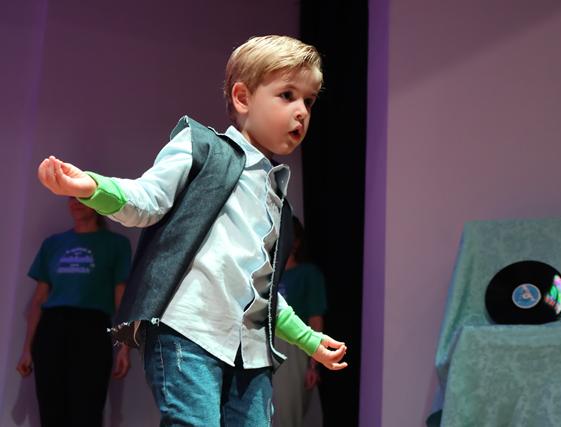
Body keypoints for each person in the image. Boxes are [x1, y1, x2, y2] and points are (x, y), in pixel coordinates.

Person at [36, 35, 348, 426]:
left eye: (309, 100)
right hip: (190, 330)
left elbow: (261, 293)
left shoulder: (277, 200)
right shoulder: (201, 147)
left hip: (250, 350)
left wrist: (308, 340)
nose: (301, 111)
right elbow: (147, 199)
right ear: (242, 98)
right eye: (287, 95)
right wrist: (93, 187)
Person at [16, 197, 132, 427]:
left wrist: (125, 347)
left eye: (83, 198)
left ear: (97, 202)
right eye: (71, 198)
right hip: (51, 328)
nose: (76, 203)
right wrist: (27, 349)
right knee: (51, 409)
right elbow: (39, 299)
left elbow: (123, 300)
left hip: (92, 329)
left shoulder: (116, 245)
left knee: (87, 409)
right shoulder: (53, 244)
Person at [272, 216, 328, 427]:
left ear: (295, 241)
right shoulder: (265, 275)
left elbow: (315, 319)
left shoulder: (307, 274)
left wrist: (314, 365)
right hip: (262, 346)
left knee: (287, 413)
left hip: (292, 349)